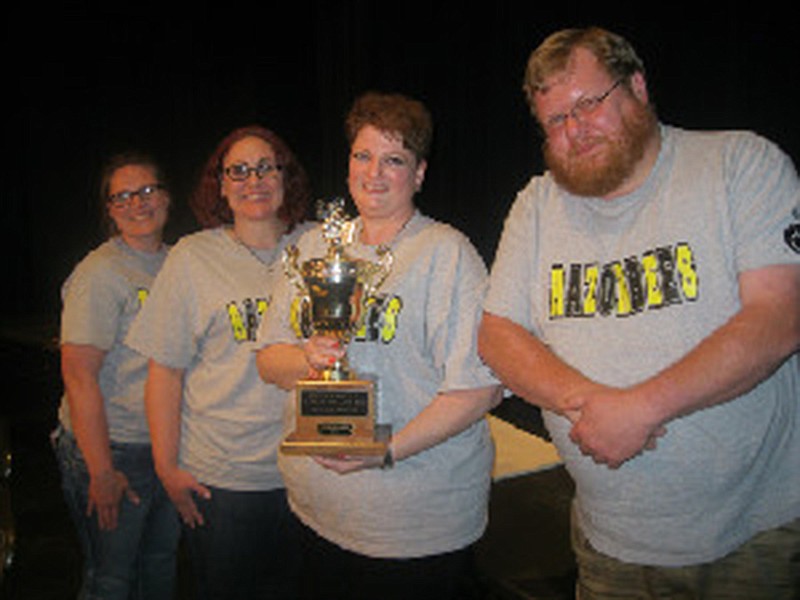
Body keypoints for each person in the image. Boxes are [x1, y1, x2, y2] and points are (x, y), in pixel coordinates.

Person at [478, 26, 800, 599]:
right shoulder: (536, 204)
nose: (575, 131)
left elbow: (780, 317)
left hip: (754, 538)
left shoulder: (738, 164)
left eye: (589, 104)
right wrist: (593, 407)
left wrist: (642, 409)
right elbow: (498, 334)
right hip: (609, 545)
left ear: (638, 87)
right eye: (555, 120)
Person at [257, 91, 501, 599]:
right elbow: (269, 358)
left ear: (419, 174)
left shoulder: (446, 255)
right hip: (318, 511)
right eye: (362, 155)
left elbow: (478, 390)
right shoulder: (312, 247)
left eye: (394, 160)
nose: (374, 173)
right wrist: (308, 357)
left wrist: (385, 450)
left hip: (413, 527)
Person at [125, 125, 312, 599]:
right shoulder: (193, 258)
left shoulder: (319, 248)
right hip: (226, 482)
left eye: (266, 167)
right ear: (221, 186)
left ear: (285, 176)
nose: (254, 181)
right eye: (239, 171)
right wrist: (167, 468)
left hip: (312, 470)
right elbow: (164, 372)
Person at [54, 152, 180, 599]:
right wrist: (100, 470)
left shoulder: (179, 262)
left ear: (166, 196)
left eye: (147, 191)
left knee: (160, 567)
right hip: (113, 449)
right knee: (111, 578)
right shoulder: (100, 273)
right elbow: (79, 376)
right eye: (122, 196)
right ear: (109, 209)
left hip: (164, 447)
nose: (137, 204)